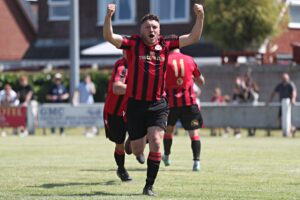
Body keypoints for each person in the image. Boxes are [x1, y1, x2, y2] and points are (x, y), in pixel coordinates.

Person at [103, 2, 204, 196]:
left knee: (157, 141)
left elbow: (193, 37)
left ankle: (148, 186)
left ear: (160, 31)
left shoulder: (166, 44)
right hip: (135, 105)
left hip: (158, 104)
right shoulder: (133, 44)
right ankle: (133, 142)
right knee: (138, 149)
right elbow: (109, 37)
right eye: (148, 27)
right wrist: (108, 17)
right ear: (141, 30)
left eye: (155, 27)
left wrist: (200, 16)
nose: (152, 30)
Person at [163, 48, 205, 172]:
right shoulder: (189, 59)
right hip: (189, 104)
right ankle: (196, 162)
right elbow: (201, 81)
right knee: (194, 134)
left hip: (171, 104)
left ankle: (167, 156)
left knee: (169, 130)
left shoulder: (165, 61)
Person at [103, 53, 133, 182]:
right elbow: (117, 88)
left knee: (148, 133)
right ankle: (121, 168)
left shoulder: (141, 64)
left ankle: (132, 139)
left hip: (131, 110)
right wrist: (138, 89)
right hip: (115, 112)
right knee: (119, 144)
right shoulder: (123, 66)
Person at [268, 73, 297, 137]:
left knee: (287, 118)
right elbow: (274, 92)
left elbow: (294, 92)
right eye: (283, 78)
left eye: (285, 78)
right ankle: (291, 129)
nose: (284, 80)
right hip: (282, 104)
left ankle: (290, 129)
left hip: (288, 104)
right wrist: (270, 100)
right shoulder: (280, 85)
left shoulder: (290, 84)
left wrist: (293, 99)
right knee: (280, 117)